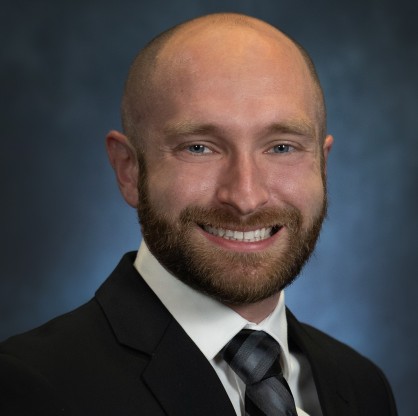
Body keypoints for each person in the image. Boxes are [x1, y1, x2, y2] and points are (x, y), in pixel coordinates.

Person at [0, 13, 397, 416]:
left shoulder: (362, 387)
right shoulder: (29, 389)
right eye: (199, 148)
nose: (245, 197)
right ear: (129, 170)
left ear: (322, 165)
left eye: (281, 147)